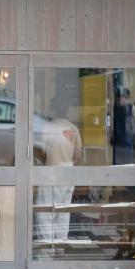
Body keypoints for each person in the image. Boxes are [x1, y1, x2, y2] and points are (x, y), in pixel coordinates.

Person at [34, 98, 82, 245]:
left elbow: (41, 153)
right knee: (63, 211)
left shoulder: (46, 128)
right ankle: (61, 244)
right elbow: (77, 156)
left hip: (50, 173)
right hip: (68, 174)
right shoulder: (73, 128)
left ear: (53, 110)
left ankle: (48, 246)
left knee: (45, 212)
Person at [113, 87, 135, 164]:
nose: (121, 99)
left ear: (126, 98)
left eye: (123, 97)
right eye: (120, 97)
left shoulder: (132, 108)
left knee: (127, 162)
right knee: (118, 162)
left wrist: (131, 133)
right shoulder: (115, 108)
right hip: (118, 141)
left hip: (127, 140)